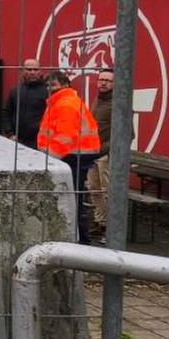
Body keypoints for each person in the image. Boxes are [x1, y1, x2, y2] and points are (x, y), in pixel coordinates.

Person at [37, 71, 103, 242]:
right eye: (48, 85)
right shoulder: (64, 101)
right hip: (75, 155)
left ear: (65, 84)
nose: (49, 89)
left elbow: (64, 137)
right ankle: (80, 240)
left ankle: (79, 241)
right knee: (74, 199)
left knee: (72, 200)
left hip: (72, 156)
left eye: (53, 85)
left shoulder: (64, 104)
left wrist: (48, 159)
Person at [88, 70, 116, 240]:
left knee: (108, 192)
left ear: (114, 84)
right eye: (101, 79)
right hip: (92, 153)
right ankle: (101, 223)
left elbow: (127, 133)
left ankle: (111, 229)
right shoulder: (97, 100)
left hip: (106, 155)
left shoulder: (117, 104)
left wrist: (106, 148)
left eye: (108, 80)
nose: (103, 83)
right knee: (94, 190)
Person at [3, 59, 52, 150]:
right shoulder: (15, 91)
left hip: (40, 143)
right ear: (22, 71)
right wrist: (10, 134)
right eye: (29, 70)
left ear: (40, 71)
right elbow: (7, 113)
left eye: (35, 69)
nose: (32, 72)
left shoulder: (48, 92)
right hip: (17, 141)